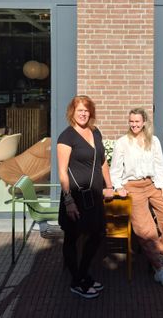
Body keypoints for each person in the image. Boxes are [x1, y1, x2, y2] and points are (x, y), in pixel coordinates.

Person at [109, 107, 163, 289]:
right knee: (146, 230)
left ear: (144, 122)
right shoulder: (122, 143)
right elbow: (115, 169)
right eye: (131, 121)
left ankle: (160, 252)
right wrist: (119, 187)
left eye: (137, 121)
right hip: (132, 188)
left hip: (152, 185)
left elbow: (159, 166)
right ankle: (160, 270)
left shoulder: (153, 141)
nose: (134, 125)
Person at [57, 95, 114, 299]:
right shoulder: (66, 137)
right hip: (75, 197)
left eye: (86, 110)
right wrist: (68, 201)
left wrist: (109, 185)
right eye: (79, 110)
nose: (83, 114)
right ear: (72, 112)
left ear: (91, 113)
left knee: (97, 233)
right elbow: (62, 171)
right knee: (72, 238)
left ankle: (82, 275)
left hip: (94, 196)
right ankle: (77, 281)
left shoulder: (95, 131)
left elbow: (102, 161)